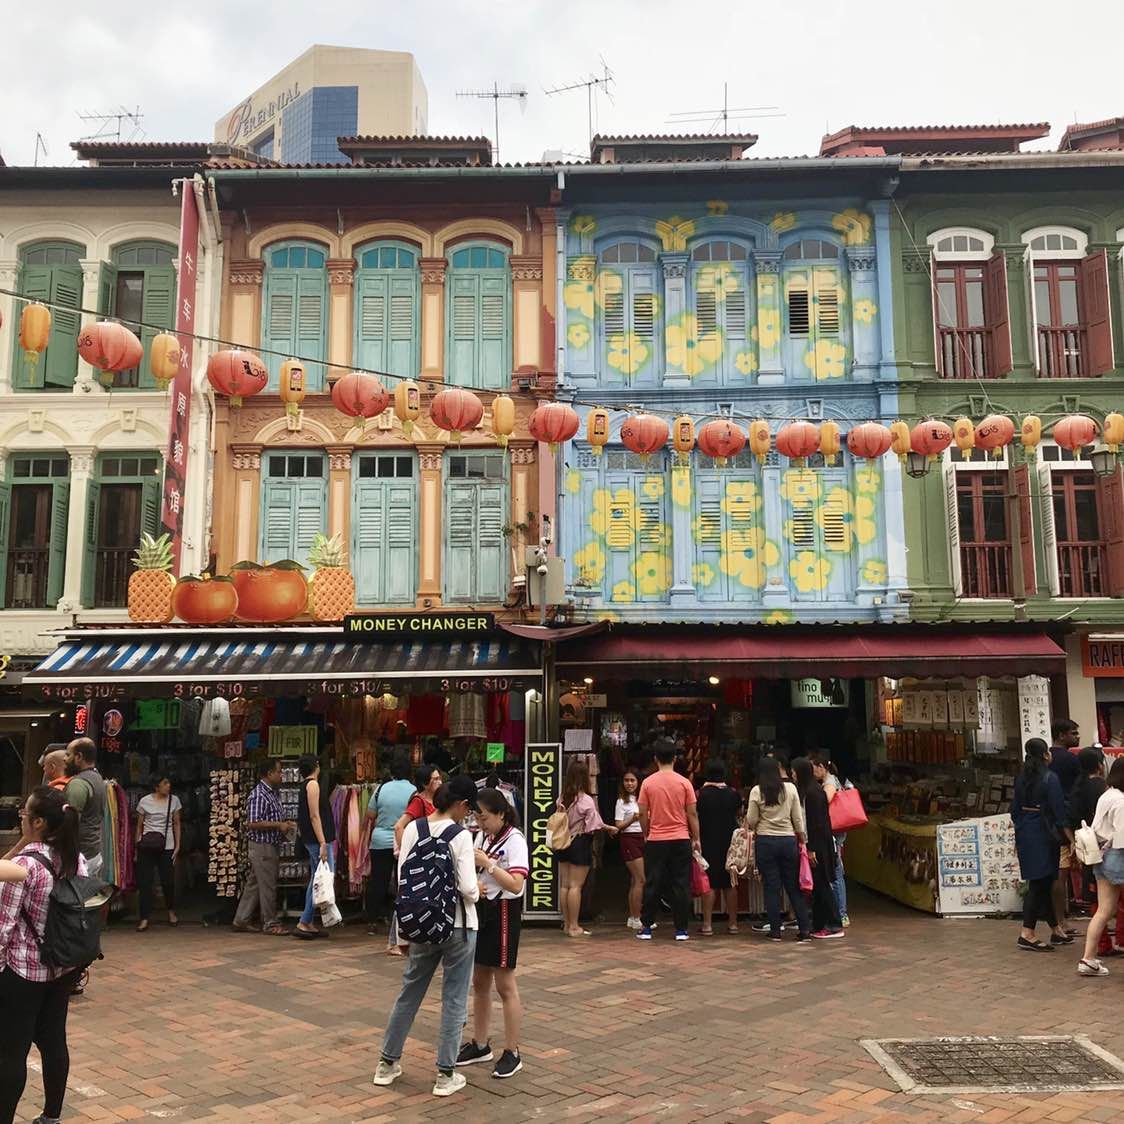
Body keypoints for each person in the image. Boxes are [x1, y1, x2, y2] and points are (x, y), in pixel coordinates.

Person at [373, 776, 481, 1098]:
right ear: (461, 805)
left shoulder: (411, 830)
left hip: (420, 924)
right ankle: (445, 1074)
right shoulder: (460, 836)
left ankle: (386, 1064)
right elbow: (466, 888)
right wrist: (479, 891)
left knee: (410, 993)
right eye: (468, 808)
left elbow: (404, 874)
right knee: (454, 998)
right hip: (458, 926)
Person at [0, 786, 86, 1124]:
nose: (21, 817)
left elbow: (3, 927)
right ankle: (51, 1116)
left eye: (24, 814)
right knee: (53, 1042)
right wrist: (27, 839)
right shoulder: (74, 858)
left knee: (10, 1051)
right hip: (61, 967)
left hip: (22, 973)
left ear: (37, 821)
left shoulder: (25, 867)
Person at [456, 788, 528, 1079]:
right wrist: (477, 881)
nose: (480, 823)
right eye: (476, 817)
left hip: (504, 914)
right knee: (480, 981)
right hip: (483, 911)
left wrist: (488, 865)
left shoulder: (516, 840)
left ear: (500, 813)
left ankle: (512, 1051)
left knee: (505, 984)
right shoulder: (482, 837)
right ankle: (481, 1043)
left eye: (484, 817)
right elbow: (475, 872)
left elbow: (516, 885)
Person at [1011, 738, 1072, 952]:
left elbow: (1014, 810)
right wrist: (1071, 838)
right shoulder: (1050, 778)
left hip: (1027, 832)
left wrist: (1021, 829)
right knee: (1039, 883)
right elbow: (1059, 812)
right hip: (1045, 833)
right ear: (1046, 754)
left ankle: (1055, 929)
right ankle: (1027, 933)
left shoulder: (1021, 778)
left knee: (1041, 881)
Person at [637, 741, 699, 942]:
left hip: (656, 839)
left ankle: (646, 927)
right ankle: (681, 929)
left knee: (652, 882)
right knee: (681, 884)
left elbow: (642, 813)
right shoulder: (684, 783)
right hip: (681, 838)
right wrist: (696, 838)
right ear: (675, 758)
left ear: (655, 759)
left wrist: (647, 833)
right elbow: (692, 813)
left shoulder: (648, 783)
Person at [746, 756, 811, 942]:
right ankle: (804, 929)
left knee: (771, 887)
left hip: (765, 841)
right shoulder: (790, 789)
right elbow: (798, 818)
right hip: (788, 841)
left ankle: (775, 930)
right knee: (793, 887)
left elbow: (751, 820)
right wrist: (802, 837)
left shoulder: (757, 791)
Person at [233, 760, 294, 935]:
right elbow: (253, 823)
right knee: (268, 885)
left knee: (254, 884)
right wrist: (277, 825)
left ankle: (241, 919)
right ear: (269, 774)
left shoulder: (272, 793)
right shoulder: (259, 795)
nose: (281, 775)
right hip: (262, 846)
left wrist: (283, 824)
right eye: (279, 772)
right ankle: (270, 923)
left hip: (269, 844)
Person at [556, 759, 615, 938]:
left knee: (565, 885)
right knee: (576, 886)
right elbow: (593, 825)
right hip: (579, 843)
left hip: (563, 843)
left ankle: (567, 924)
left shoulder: (562, 798)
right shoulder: (586, 800)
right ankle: (575, 926)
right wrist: (609, 828)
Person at [1078, 758, 1124, 976]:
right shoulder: (1122, 801)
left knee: (1104, 910)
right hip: (1117, 856)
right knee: (1108, 909)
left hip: (1100, 856)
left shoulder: (1107, 795)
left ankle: (1088, 959)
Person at [792, 757, 844, 939]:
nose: (792, 775)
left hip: (819, 846)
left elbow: (816, 823)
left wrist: (811, 848)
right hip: (817, 844)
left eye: (794, 771)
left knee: (822, 885)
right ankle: (820, 923)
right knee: (817, 886)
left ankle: (834, 924)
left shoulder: (814, 793)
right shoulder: (811, 791)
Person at [364, 754, 415, 935]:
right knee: (404, 881)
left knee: (378, 880)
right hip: (403, 841)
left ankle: (371, 920)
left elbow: (370, 814)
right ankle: (401, 919)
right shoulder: (414, 791)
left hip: (379, 840)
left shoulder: (380, 789)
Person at [696, 760, 741, 936]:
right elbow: (738, 813)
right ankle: (733, 924)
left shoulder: (701, 794)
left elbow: (695, 814)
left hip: (708, 841)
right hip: (730, 842)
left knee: (711, 883)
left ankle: (707, 925)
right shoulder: (733, 793)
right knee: (730, 883)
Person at [294, 755, 336, 940]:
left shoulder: (305, 786)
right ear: (316, 766)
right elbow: (314, 816)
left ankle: (308, 920)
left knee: (317, 877)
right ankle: (304, 921)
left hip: (312, 838)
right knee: (322, 877)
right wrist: (322, 843)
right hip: (317, 839)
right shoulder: (313, 785)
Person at [133, 775, 181, 932]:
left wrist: (177, 845)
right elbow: (139, 826)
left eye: (168, 782)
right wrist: (137, 846)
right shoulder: (145, 801)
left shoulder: (174, 800)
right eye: (165, 783)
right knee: (145, 882)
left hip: (166, 845)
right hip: (147, 845)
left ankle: (171, 911)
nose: (168, 785)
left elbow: (176, 823)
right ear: (156, 786)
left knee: (167, 880)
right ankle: (144, 917)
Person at [813, 754, 851, 927]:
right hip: (836, 832)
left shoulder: (829, 783)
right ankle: (840, 912)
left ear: (821, 767)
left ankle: (841, 913)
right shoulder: (831, 780)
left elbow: (824, 801)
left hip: (835, 832)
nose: (812, 771)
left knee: (836, 873)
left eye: (814, 767)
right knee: (836, 872)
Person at [63, 738, 105, 878]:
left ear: (79, 757)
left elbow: (70, 823)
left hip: (79, 857)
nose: (64, 759)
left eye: (68, 755)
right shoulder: (98, 778)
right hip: (93, 853)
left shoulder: (78, 783)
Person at [615, 769, 645, 930]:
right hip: (629, 839)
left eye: (632, 780)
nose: (629, 784)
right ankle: (636, 917)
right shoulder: (621, 801)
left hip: (643, 838)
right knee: (640, 879)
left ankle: (633, 917)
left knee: (636, 880)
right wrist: (632, 818)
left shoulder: (642, 799)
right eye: (627, 780)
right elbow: (618, 825)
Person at [393, 765, 444, 850]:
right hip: (421, 852)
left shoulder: (438, 800)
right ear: (425, 784)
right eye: (435, 779)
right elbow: (399, 826)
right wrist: (406, 852)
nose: (440, 782)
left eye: (440, 778)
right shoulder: (418, 801)